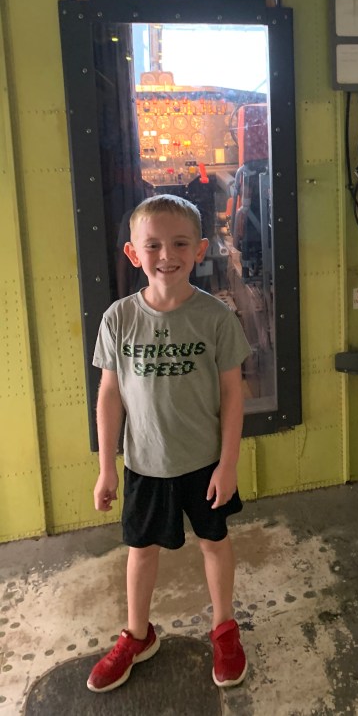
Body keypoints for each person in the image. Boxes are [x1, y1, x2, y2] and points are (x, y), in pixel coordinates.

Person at [87, 194, 251, 693]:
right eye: (153, 245)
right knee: (140, 550)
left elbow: (233, 395)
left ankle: (224, 627)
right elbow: (110, 395)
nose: (167, 255)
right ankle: (138, 635)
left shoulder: (217, 318)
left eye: (180, 243)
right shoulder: (119, 318)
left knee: (214, 542)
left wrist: (228, 464)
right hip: (144, 462)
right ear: (133, 253)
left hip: (204, 462)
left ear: (200, 250)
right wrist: (107, 467)